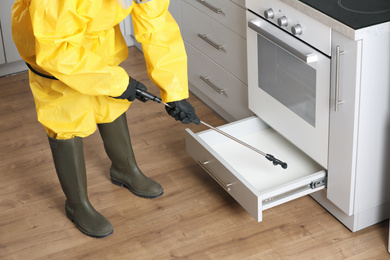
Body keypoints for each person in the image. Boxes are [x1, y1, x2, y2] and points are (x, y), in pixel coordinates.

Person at [11, 0, 200, 238]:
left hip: (99, 41)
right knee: (66, 118)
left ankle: (124, 169)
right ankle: (77, 203)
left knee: (109, 103)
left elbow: (156, 25)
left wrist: (174, 91)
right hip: (53, 49)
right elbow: (57, 51)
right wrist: (119, 83)